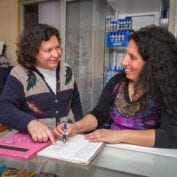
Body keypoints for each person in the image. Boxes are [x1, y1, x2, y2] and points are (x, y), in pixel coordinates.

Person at [55, 25, 177, 148]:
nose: (124, 62)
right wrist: (76, 127)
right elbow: (99, 114)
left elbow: (171, 135)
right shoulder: (117, 82)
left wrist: (120, 135)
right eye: (126, 54)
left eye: (133, 57)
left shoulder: (166, 90)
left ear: (153, 63)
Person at [0, 24, 83, 144]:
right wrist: (30, 123)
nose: (56, 54)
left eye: (57, 48)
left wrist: (79, 128)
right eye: (48, 50)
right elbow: (4, 107)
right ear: (33, 52)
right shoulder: (19, 73)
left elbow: (75, 101)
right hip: (38, 142)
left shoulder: (66, 69)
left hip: (68, 140)